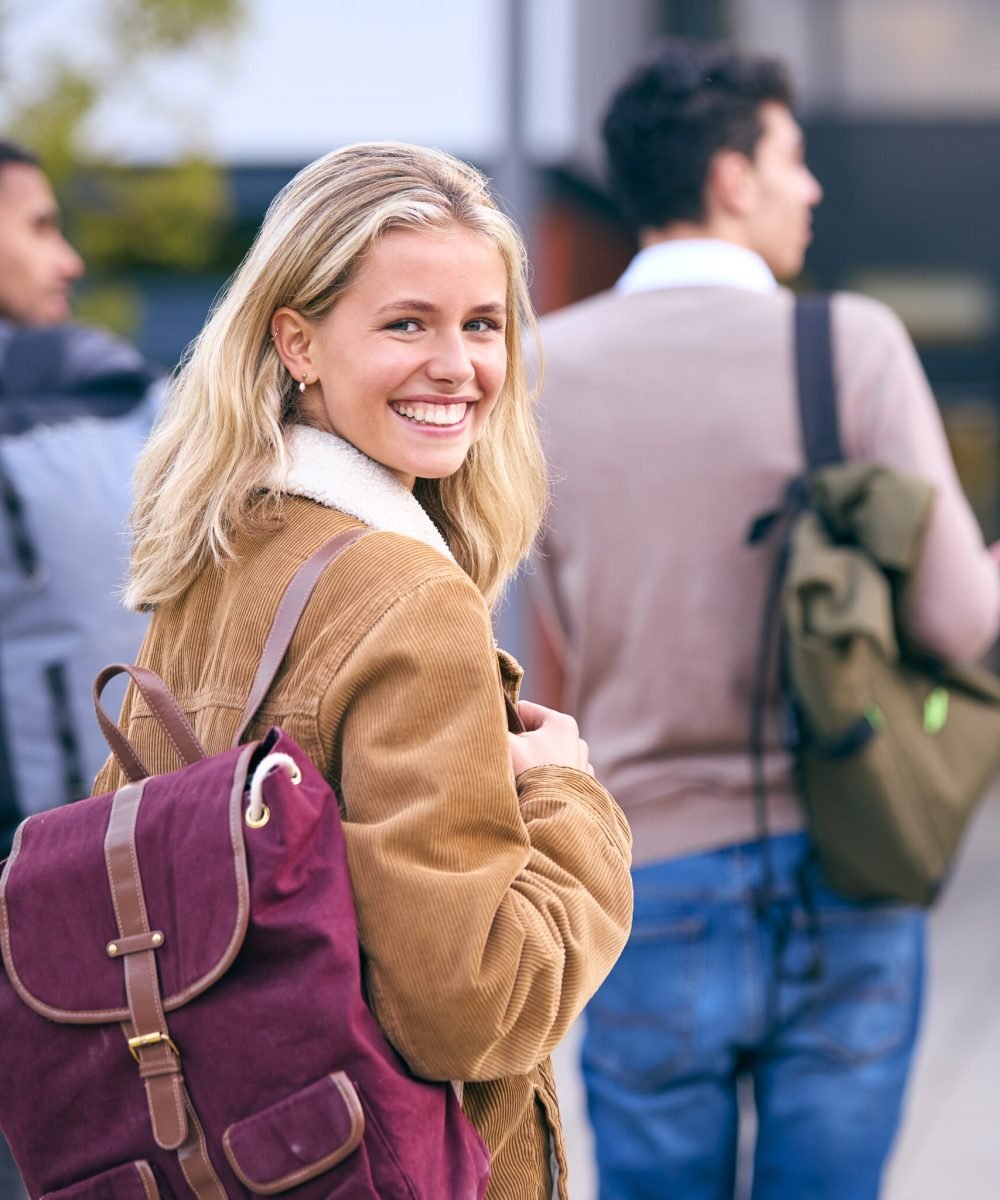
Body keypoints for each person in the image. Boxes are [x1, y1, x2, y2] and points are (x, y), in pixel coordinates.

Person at [93, 141, 634, 1199]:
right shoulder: (409, 599)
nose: (458, 365)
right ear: (297, 342)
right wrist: (570, 800)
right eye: (406, 324)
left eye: (481, 324)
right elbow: (469, 1008)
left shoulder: (216, 553)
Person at [530, 41, 1000, 1200]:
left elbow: (533, 660)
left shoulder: (537, 371)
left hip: (641, 878)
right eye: (792, 159)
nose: (813, 188)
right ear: (732, 178)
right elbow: (957, 619)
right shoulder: (846, 345)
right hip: (840, 858)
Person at [0, 139, 156, 1197]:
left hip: (79, 884)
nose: (68, 262)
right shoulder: (119, 414)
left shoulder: (110, 398)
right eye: (39, 226)